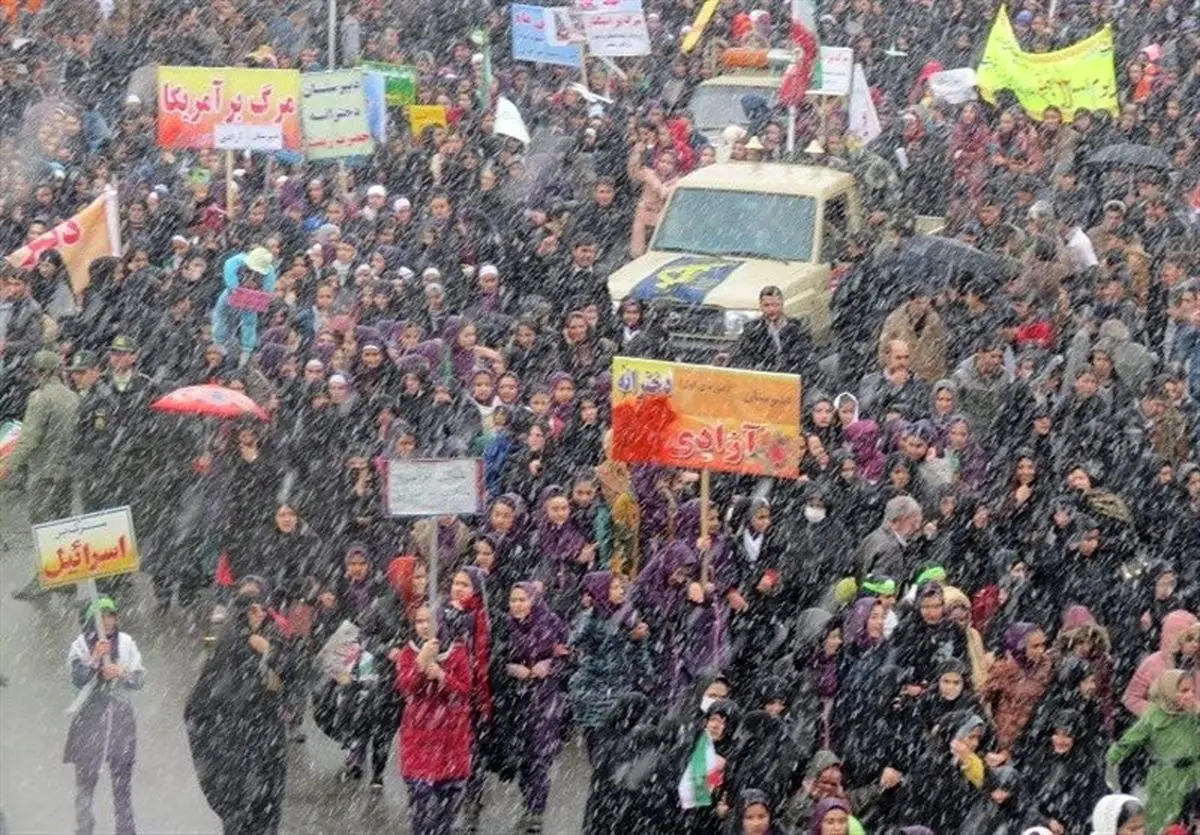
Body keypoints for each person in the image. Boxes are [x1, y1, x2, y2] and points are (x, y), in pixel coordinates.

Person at [185, 577, 289, 835]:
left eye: (261, 609)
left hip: (267, 748)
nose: (259, 615)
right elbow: (198, 707)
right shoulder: (228, 647)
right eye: (253, 610)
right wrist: (215, 748)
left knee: (266, 816)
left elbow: (293, 677)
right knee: (241, 819)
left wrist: (269, 652)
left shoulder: (271, 638)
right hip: (236, 753)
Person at [64, 597, 144, 835]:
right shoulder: (79, 645)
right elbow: (78, 678)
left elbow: (139, 679)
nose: (108, 622)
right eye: (102, 617)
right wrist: (95, 660)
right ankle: (84, 829)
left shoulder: (127, 643)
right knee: (85, 785)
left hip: (121, 720)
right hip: (90, 720)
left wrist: (122, 672)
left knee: (122, 788)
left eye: (111, 615)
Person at [5, 349, 80, 601]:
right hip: (66, 471)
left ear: (40, 372)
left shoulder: (39, 398)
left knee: (42, 526)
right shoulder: (72, 397)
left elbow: (29, 439)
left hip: (43, 471)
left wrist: (8, 465)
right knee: (62, 524)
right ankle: (67, 577)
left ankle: (44, 578)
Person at [397, 604, 474, 835]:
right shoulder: (408, 652)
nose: (423, 626)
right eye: (419, 621)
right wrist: (421, 663)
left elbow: (464, 690)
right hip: (419, 734)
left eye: (428, 621)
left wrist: (442, 675)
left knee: (446, 806)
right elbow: (405, 686)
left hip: (450, 736)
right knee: (421, 802)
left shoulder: (458, 652)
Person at [1106, 670, 1200, 834]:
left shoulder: (1193, 714)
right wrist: (1112, 762)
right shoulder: (1154, 716)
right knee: (1162, 824)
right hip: (1167, 779)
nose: (1189, 695)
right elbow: (1127, 742)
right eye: (1184, 691)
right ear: (1169, 691)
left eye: (1192, 690)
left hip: (1195, 774)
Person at [730, 286, 815, 380]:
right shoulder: (752, 329)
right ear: (761, 306)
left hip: (792, 378)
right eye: (767, 305)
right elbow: (741, 354)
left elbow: (804, 356)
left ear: (782, 305)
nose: (771, 309)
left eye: (776, 305)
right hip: (762, 378)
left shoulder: (796, 327)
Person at [211, 246, 277, 364]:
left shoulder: (270, 270)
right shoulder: (237, 261)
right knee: (222, 314)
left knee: (249, 322)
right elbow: (229, 268)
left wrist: (263, 295)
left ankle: (246, 351)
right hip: (233, 293)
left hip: (250, 297)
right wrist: (234, 288)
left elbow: (269, 286)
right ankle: (218, 342)